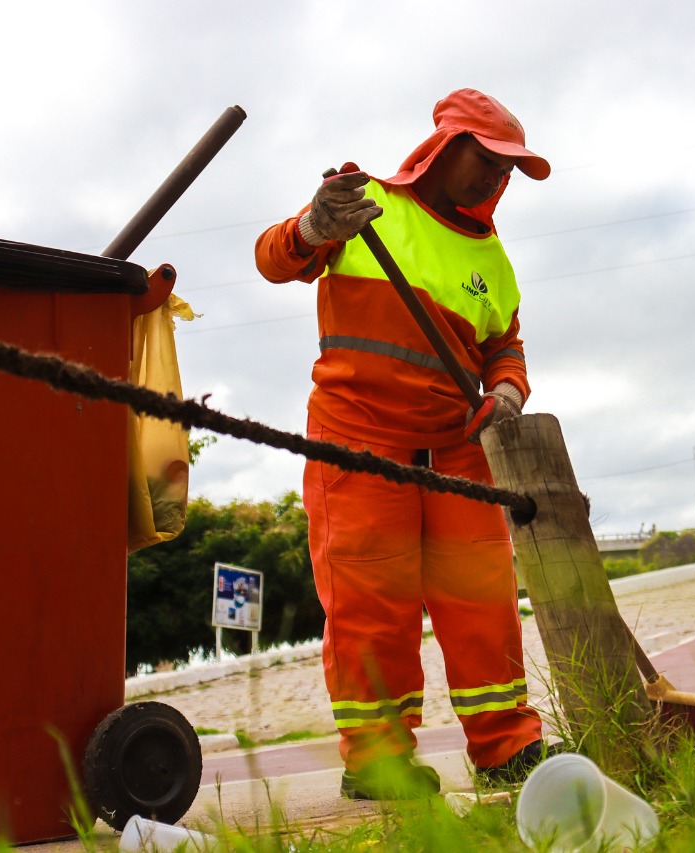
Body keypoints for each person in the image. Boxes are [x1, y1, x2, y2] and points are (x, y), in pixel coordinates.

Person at [255, 89, 558, 800]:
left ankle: (508, 748)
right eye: (488, 160)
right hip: (357, 442)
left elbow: (505, 346)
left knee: (483, 606)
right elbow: (275, 260)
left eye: (508, 169)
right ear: (443, 147)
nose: (498, 178)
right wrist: (312, 225)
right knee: (371, 610)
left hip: (459, 452)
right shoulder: (364, 209)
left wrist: (506, 392)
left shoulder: (494, 259)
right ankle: (379, 761)